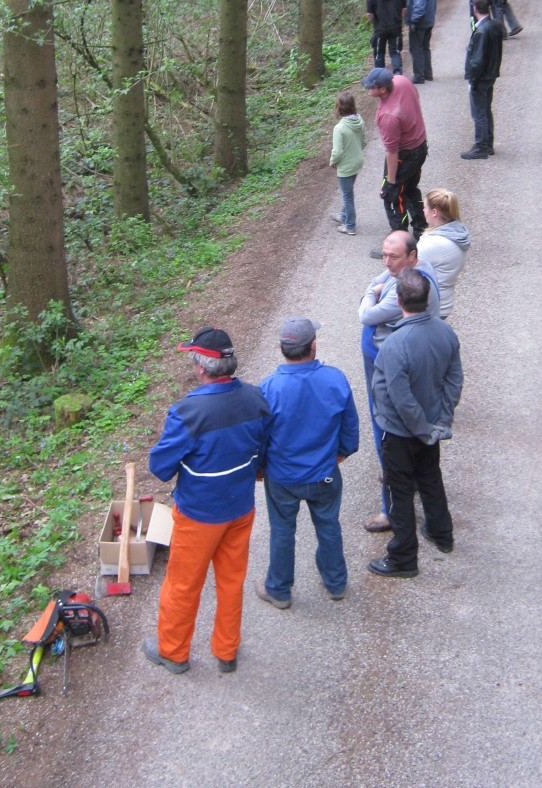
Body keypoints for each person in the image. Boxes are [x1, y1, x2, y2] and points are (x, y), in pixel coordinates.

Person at [144, 326, 270, 675]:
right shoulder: (257, 398)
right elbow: (262, 449)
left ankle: (173, 652)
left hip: (198, 515)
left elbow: (160, 467)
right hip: (241, 507)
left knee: (183, 584)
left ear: (201, 367)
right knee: (231, 581)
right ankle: (226, 651)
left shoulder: (187, 411)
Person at [254, 318, 360, 608]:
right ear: (313, 345)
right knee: (328, 525)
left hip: (283, 478)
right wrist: (343, 452)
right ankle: (336, 583)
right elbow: (350, 424)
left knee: (282, 530)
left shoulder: (269, 388)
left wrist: (259, 467)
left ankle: (279, 589)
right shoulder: (335, 379)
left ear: (282, 348)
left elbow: (260, 437)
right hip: (325, 475)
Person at [367, 269, 463, 579]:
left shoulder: (395, 344)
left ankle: (403, 557)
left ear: (398, 300)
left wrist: (421, 428)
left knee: (399, 493)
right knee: (430, 478)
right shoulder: (446, 333)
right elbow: (454, 380)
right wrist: (440, 421)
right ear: (427, 298)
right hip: (430, 428)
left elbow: (400, 397)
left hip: (400, 433)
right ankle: (441, 533)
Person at [359, 232, 442, 533]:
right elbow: (379, 279)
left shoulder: (406, 288)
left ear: (412, 256)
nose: (386, 262)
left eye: (393, 257)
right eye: (384, 255)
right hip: (390, 362)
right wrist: (377, 285)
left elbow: (367, 314)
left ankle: (392, 512)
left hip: (389, 370)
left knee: (387, 433)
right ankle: (409, 483)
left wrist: (371, 293)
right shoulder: (407, 271)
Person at [361, 66, 428, 240]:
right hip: (420, 146)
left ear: (383, 89)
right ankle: (422, 231)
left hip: (405, 156)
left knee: (392, 196)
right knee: (410, 189)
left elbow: (392, 152)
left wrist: (391, 182)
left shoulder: (388, 116)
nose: (367, 88)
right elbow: (416, 95)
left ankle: (400, 240)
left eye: (371, 86)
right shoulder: (401, 80)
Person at [416, 189, 471, 318]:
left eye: (425, 207)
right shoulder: (457, 234)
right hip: (445, 301)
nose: (423, 211)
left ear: (434, 212)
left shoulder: (433, 244)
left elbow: (408, 272)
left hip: (428, 308)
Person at [462, 0, 503, 160]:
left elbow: (477, 61)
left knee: (478, 112)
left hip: (481, 77)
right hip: (491, 74)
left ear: (474, 9)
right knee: (486, 109)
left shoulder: (481, 31)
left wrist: (472, 79)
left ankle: (481, 146)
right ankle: (488, 143)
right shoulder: (495, 26)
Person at [329, 90, 366, 236]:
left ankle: (350, 225)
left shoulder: (339, 128)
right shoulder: (359, 121)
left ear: (339, 107)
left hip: (346, 166)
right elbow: (363, 141)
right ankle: (343, 216)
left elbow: (337, 151)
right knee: (348, 192)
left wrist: (333, 162)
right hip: (357, 162)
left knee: (347, 195)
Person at [365, 0, 406, 74]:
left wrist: (375, 20)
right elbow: (404, 9)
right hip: (396, 27)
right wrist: (398, 19)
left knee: (379, 54)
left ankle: (380, 78)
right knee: (395, 52)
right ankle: (398, 76)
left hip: (380, 29)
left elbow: (369, 14)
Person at [405, 0, 437, 84]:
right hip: (428, 21)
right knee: (424, 47)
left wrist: (413, 21)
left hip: (420, 23)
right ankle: (427, 73)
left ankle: (419, 76)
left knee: (416, 48)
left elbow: (419, 5)